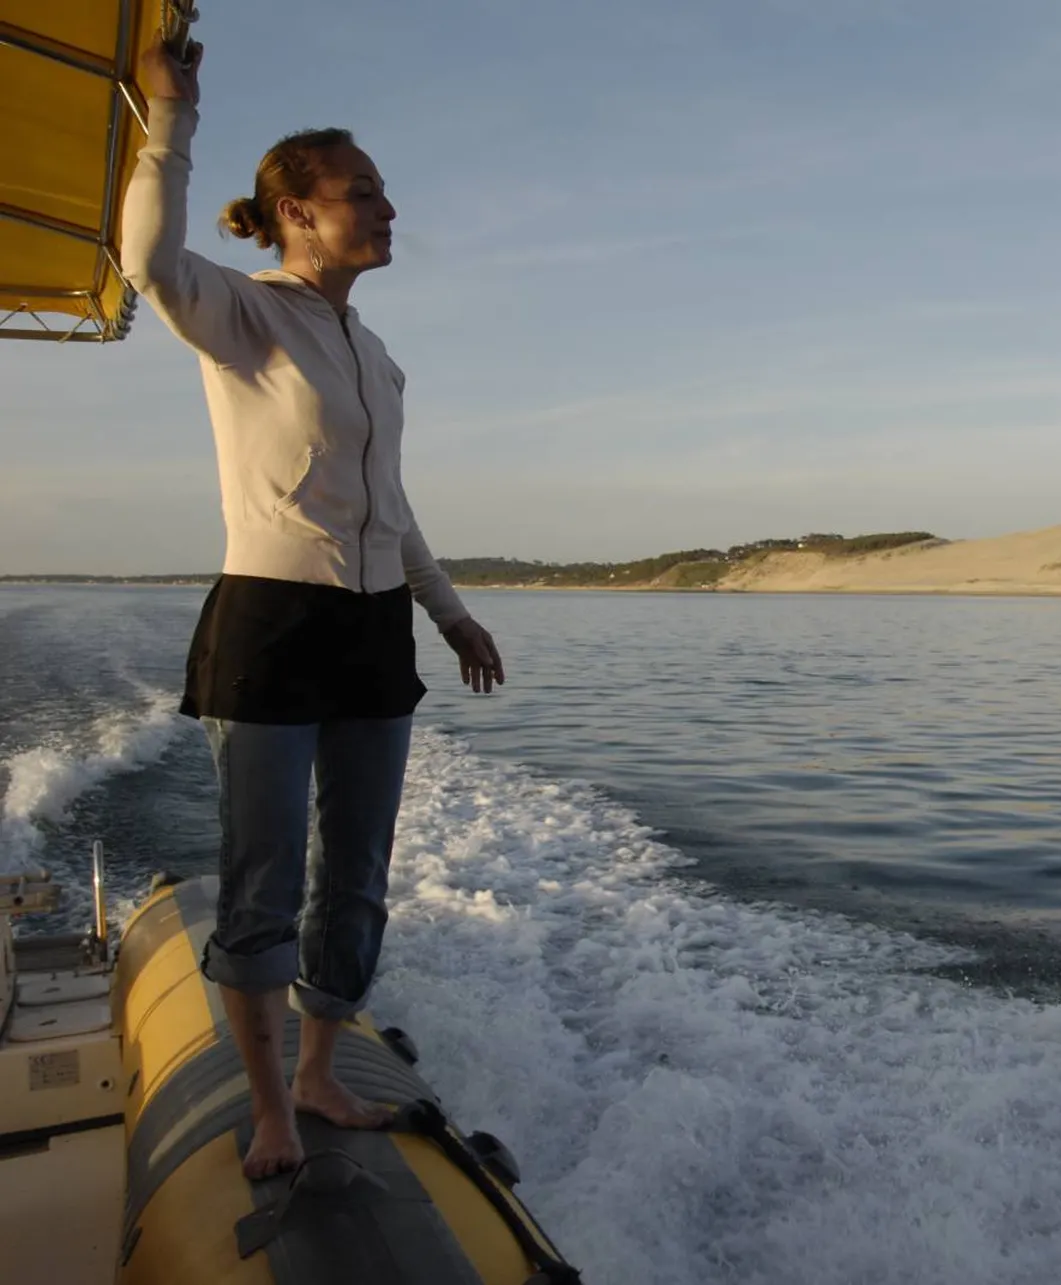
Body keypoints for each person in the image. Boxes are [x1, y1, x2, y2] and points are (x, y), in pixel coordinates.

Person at [125, 41, 506, 1179]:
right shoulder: (246, 317)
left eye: (384, 192)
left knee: (356, 876)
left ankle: (321, 1070)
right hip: (271, 626)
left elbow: (390, 506)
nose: (390, 208)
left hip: (374, 632)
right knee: (262, 879)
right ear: (296, 212)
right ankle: (269, 1107)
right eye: (365, 193)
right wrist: (169, 118)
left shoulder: (379, 357)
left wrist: (448, 613)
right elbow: (146, 257)